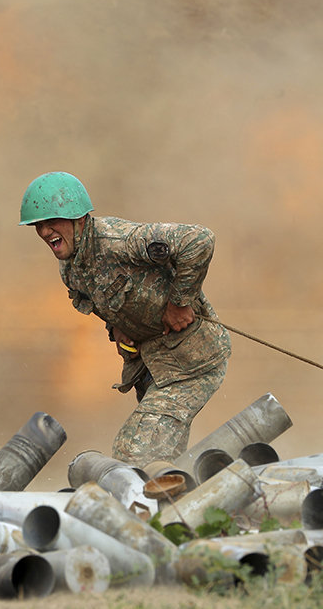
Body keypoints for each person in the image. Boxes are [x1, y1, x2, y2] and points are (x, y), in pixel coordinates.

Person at [19, 171, 231, 467]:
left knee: (135, 453)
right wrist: (117, 328)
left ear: (79, 219)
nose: (44, 232)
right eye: (37, 225)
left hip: (191, 361)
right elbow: (103, 301)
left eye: (51, 222)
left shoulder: (119, 241)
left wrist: (179, 303)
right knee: (160, 456)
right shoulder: (71, 268)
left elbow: (199, 240)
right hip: (152, 366)